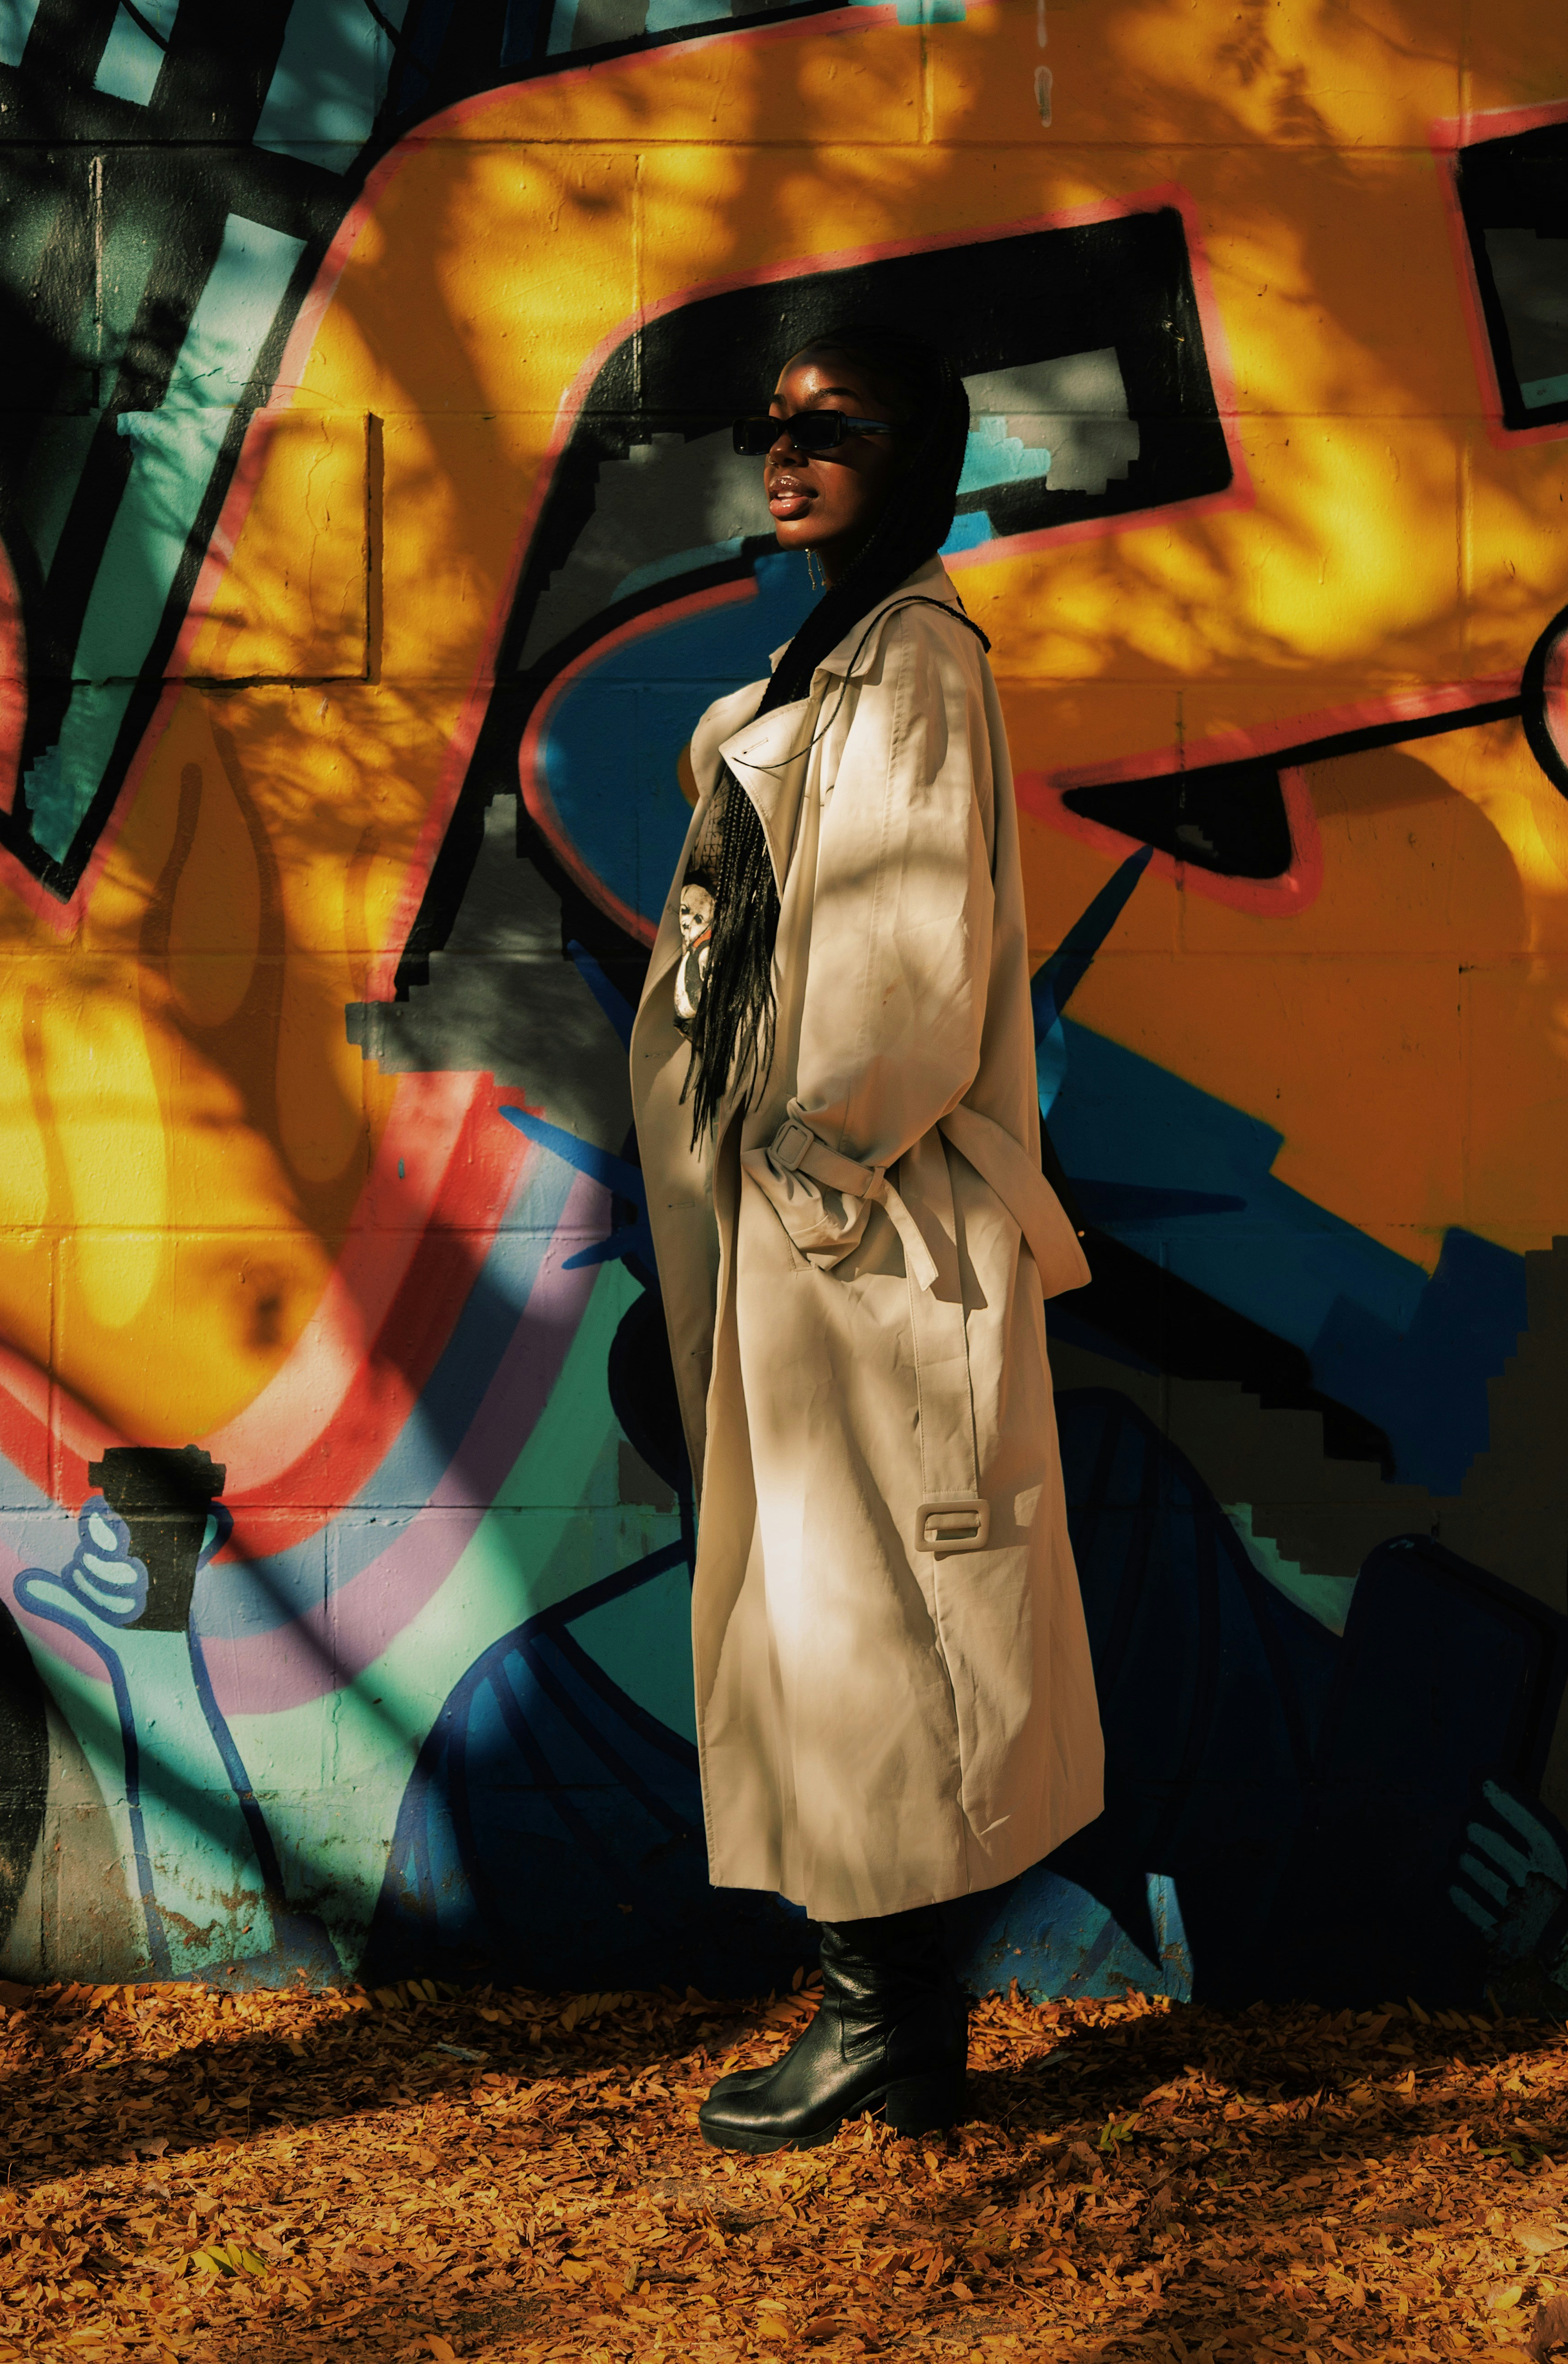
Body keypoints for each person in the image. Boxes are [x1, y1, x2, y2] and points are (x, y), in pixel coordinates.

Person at [629, 324, 1104, 2154]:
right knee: (836, 1631)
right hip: (805, 1227)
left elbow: (908, 973)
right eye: (773, 427)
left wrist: (812, 1163)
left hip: (854, 1228)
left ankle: (885, 2030)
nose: (787, 451)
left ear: (918, 453)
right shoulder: (829, 658)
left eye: (834, 426)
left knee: (872, 1634)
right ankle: (883, 2027)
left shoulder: (908, 659)